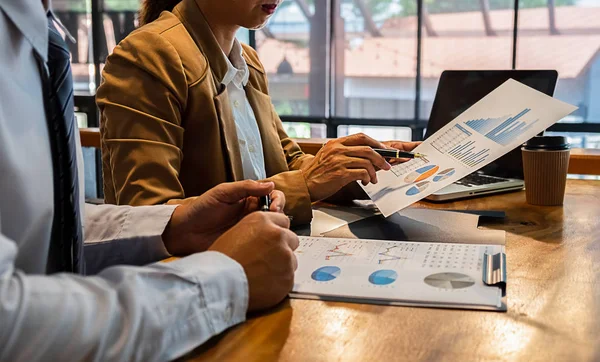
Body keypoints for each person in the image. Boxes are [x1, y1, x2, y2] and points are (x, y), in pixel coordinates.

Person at [0, 0, 299, 360]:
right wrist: (226, 278)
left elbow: (46, 230)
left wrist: (172, 225)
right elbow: (10, 323)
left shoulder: (34, 34)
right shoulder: (150, 53)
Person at [96, 0, 419, 225]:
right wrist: (303, 184)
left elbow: (289, 160)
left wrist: (366, 165)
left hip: (263, 258)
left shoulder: (247, 59)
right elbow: (147, 218)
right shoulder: (148, 55)